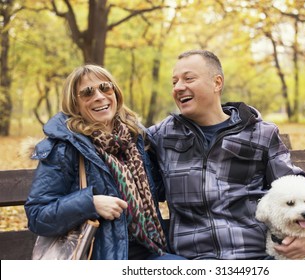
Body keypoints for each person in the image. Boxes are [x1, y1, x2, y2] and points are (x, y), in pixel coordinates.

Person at [147, 50, 305, 260]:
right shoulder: (162, 136)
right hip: (194, 259)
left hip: (256, 256)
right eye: (174, 81)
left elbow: (299, 186)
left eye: (188, 78)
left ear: (217, 83)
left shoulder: (260, 133)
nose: (178, 87)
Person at [24, 64, 185, 260]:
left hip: (151, 250)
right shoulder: (64, 148)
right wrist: (89, 203)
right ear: (74, 104)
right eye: (87, 92)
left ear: (115, 93)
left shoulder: (136, 140)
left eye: (105, 88)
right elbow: (37, 216)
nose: (99, 96)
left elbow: (161, 189)